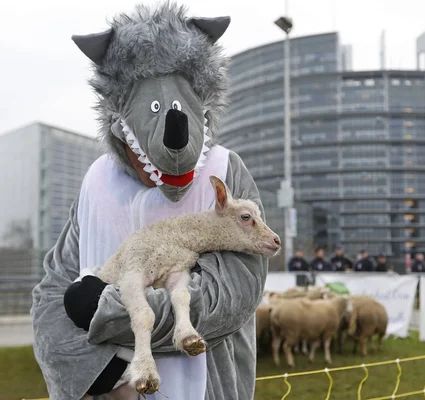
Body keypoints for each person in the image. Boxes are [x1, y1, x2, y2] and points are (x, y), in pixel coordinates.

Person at [31, 4, 265, 400]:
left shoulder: (225, 172)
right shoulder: (97, 182)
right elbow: (53, 291)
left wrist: (107, 313)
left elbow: (231, 295)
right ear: (119, 126)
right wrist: (92, 371)